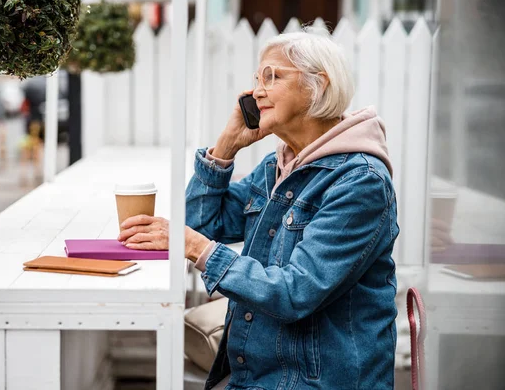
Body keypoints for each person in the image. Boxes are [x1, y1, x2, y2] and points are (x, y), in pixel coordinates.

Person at [118, 29, 399, 389]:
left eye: (272, 76)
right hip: (258, 373)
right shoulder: (277, 166)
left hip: (313, 381)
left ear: (319, 85)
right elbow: (202, 223)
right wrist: (225, 147)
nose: (257, 92)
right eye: (257, 79)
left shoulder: (359, 181)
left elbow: (294, 292)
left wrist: (194, 246)